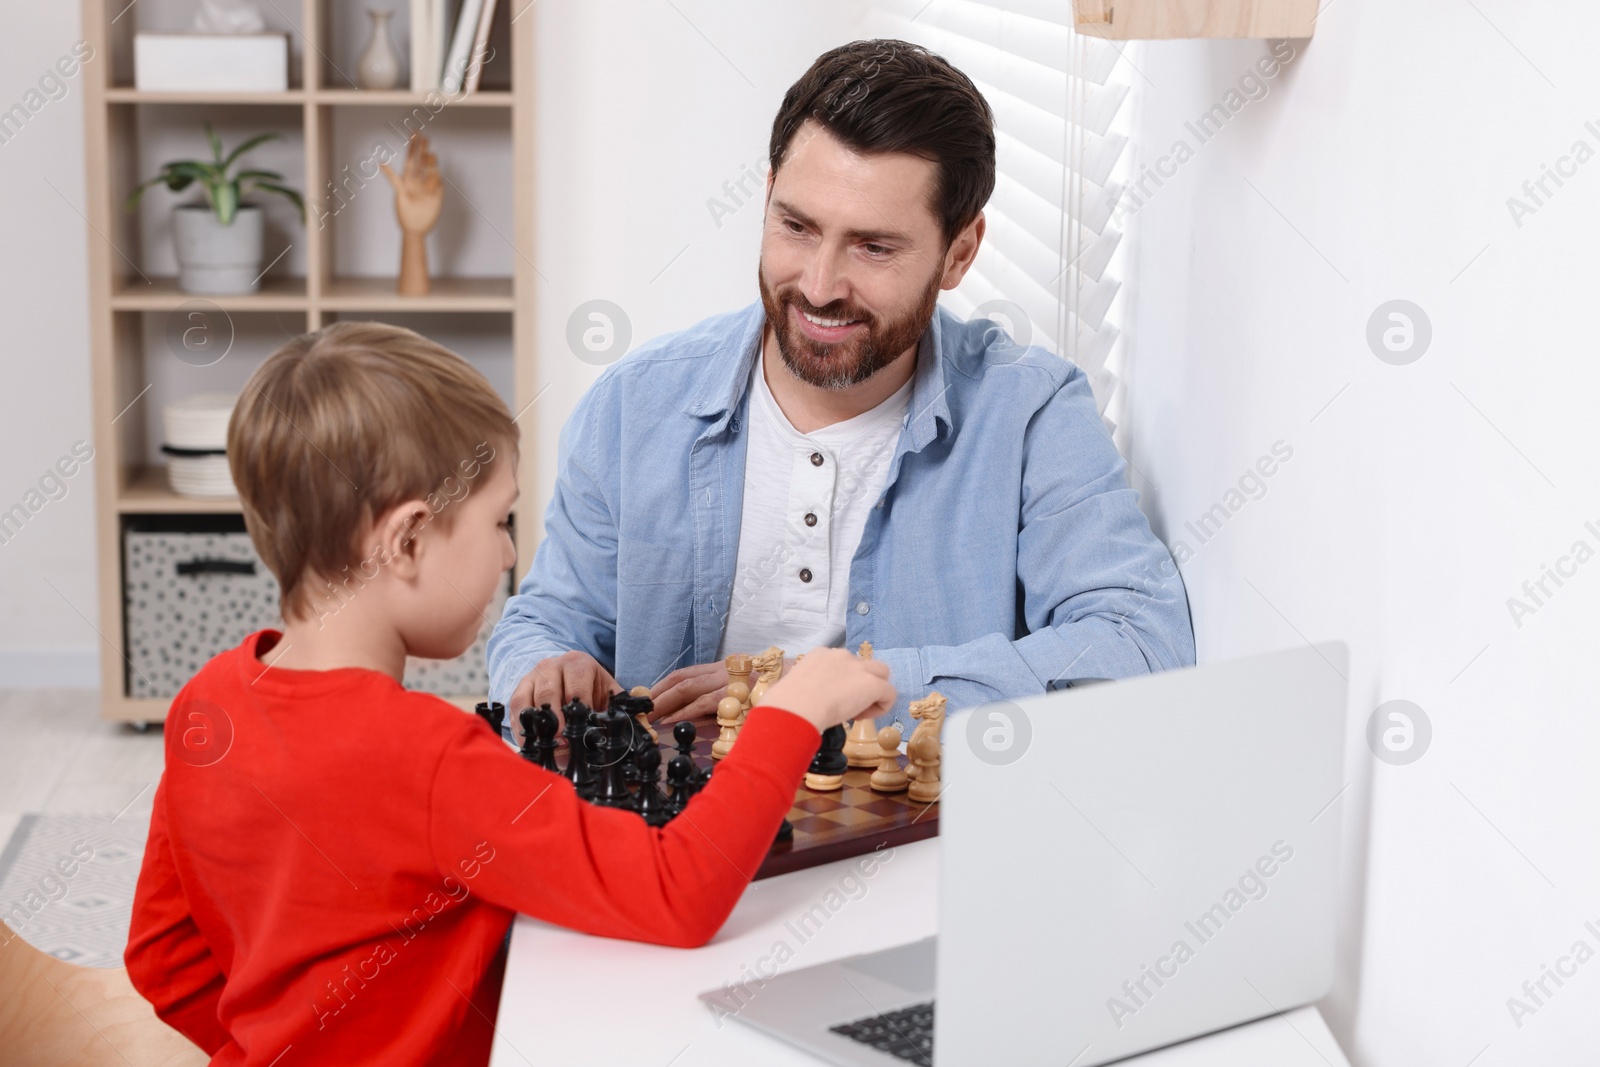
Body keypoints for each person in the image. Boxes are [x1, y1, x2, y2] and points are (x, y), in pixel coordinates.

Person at [123, 322, 895, 1067]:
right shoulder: (429, 755)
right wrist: (790, 710)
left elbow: (162, 957)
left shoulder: (206, 701)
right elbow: (679, 894)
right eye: (497, 521)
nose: (506, 555)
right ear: (408, 539)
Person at [488, 39, 1194, 741]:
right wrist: (548, 666)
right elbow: (546, 620)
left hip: (920, 846)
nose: (820, 287)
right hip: (680, 844)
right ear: (766, 197)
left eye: (874, 247)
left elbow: (1138, 648)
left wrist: (840, 689)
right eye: (796, 226)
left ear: (960, 254)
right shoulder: (631, 406)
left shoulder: (1032, 415)